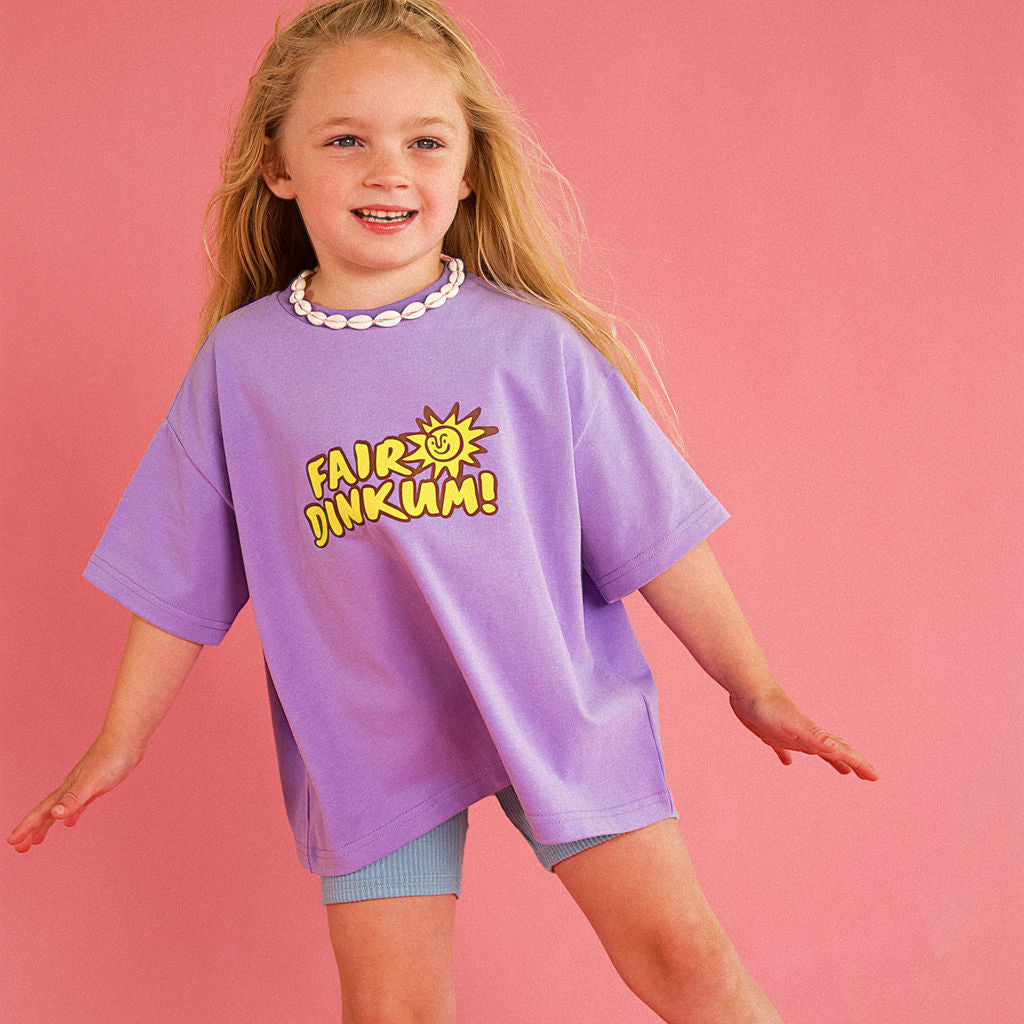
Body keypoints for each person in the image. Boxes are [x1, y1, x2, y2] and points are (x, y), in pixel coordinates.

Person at [7, 2, 878, 1021]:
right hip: (368, 740)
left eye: (425, 142)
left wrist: (752, 683)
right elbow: (176, 575)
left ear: (467, 168)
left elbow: (657, 538)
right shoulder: (242, 367)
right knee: (393, 1010)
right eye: (346, 140)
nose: (389, 171)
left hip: (552, 706)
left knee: (683, 953)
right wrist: (120, 738)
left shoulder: (533, 348)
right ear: (278, 163)